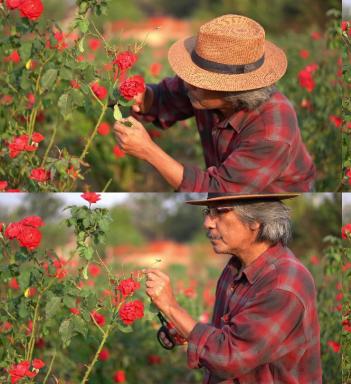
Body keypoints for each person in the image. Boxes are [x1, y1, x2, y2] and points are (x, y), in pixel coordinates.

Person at [113, 15, 316, 192]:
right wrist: (143, 96)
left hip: (274, 202)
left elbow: (219, 191)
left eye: (201, 80)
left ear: (235, 91)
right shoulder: (200, 92)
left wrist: (149, 151)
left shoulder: (271, 131)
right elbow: (163, 98)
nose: (187, 81)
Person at [144, 193, 322, 383]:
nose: (208, 223)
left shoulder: (283, 285)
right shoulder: (235, 268)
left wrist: (171, 307)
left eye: (220, 212)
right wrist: (186, 330)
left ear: (255, 221)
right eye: (208, 211)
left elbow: (230, 357)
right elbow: (236, 334)